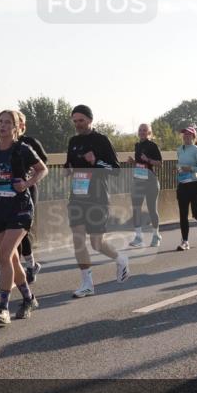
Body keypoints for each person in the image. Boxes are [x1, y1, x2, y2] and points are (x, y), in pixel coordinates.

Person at [0, 110, 47, 323]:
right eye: (0, 121)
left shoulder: (22, 150)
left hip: (20, 207)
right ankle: (28, 298)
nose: (3, 125)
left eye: (8, 122)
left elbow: (42, 169)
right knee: (12, 258)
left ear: (17, 128)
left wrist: (26, 184)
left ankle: (3, 308)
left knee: (4, 255)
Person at [65, 105, 129, 298]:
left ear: (90, 120)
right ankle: (87, 284)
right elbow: (70, 163)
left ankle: (121, 259)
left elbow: (115, 170)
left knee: (96, 243)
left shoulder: (101, 140)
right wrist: (67, 169)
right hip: (77, 196)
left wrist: (95, 162)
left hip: (97, 197)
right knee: (78, 239)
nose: (78, 124)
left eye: (81, 120)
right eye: (75, 121)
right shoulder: (73, 141)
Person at [16, 112, 48, 282]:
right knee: (11, 230)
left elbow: (44, 163)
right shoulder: (1, 142)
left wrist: (29, 178)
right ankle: (24, 266)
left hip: (28, 189)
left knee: (23, 229)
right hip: (7, 192)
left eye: (16, 122)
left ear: (23, 125)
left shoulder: (30, 143)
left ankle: (28, 266)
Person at [175, 126, 197, 251]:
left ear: (194, 137)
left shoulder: (196, 150)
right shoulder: (179, 149)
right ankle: (185, 241)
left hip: (196, 184)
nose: (186, 137)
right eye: (184, 135)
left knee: (196, 214)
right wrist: (179, 169)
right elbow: (180, 164)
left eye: (189, 135)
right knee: (183, 215)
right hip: (183, 184)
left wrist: (190, 169)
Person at [127, 123, 163, 248]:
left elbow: (159, 163)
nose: (142, 132)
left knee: (152, 209)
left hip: (151, 182)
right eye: (140, 130)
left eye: (144, 130)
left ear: (149, 133)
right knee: (136, 208)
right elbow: (140, 164)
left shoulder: (152, 146)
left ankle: (156, 235)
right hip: (138, 180)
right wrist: (133, 162)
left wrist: (148, 160)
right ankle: (138, 237)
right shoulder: (137, 145)